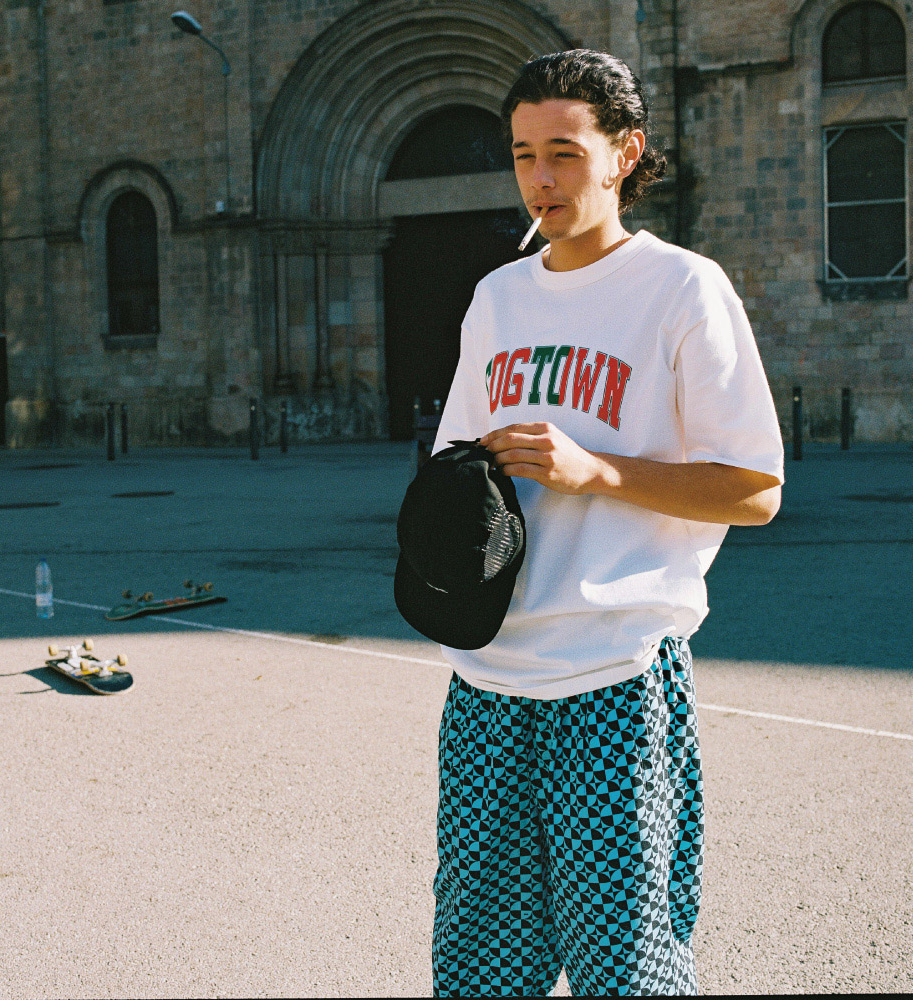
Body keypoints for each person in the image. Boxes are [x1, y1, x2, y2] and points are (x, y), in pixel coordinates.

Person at [429, 49, 785, 997]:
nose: (539, 179)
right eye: (522, 155)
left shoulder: (682, 288)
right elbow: (453, 462)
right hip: (488, 676)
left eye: (564, 153)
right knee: (476, 971)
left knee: (627, 970)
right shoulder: (499, 297)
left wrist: (598, 471)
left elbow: (756, 489)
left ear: (625, 154)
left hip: (616, 677)